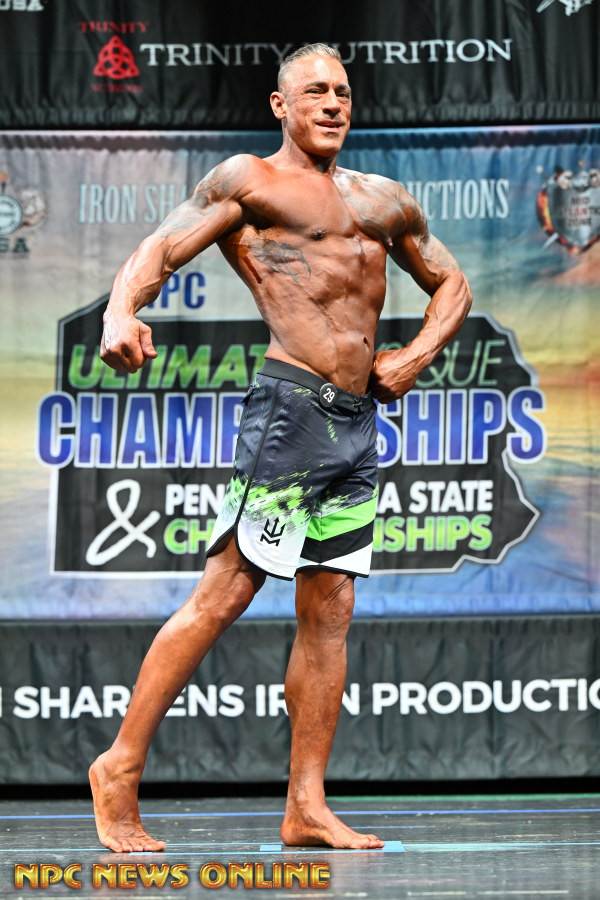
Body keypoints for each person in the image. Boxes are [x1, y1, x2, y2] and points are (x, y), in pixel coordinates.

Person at [90, 42, 472, 853]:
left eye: (343, 92)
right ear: (281, 105)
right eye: (315, 91)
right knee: (227, 590)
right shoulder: (250, 181)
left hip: (356, 424)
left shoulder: (382, 200)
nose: (333, 104)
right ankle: (118, 767)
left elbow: (453, 284)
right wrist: (122, 311)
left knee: (331, 611)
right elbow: (161, 248)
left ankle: (306, 805)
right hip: (290, 413)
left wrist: (414, 357)